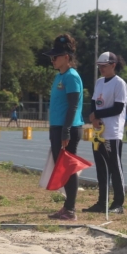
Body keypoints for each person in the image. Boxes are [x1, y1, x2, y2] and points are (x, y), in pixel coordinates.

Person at [43, 34, 84, 221]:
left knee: (68, 168)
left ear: (66, 57)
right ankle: (67, 207)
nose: (53, 60)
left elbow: (73, 105)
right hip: (58, 127)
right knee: (63, 167)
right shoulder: (59, 76)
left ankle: (70, 209)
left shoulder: (72, 77)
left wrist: (66, 130)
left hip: (68, 128)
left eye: (56, 56)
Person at [83, 52, 127, 215]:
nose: (101, 69)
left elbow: (118, 108)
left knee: (115, 167)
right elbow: (94, 102)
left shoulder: (119, 83)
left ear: (113, 65)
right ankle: (102, 202)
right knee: (101, 169)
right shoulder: (99, 82)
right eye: (99, 66)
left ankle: (118, 203)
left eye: (104, 66)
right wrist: (94, 117)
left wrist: (98, 115)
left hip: (112, 132)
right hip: (98, 132)